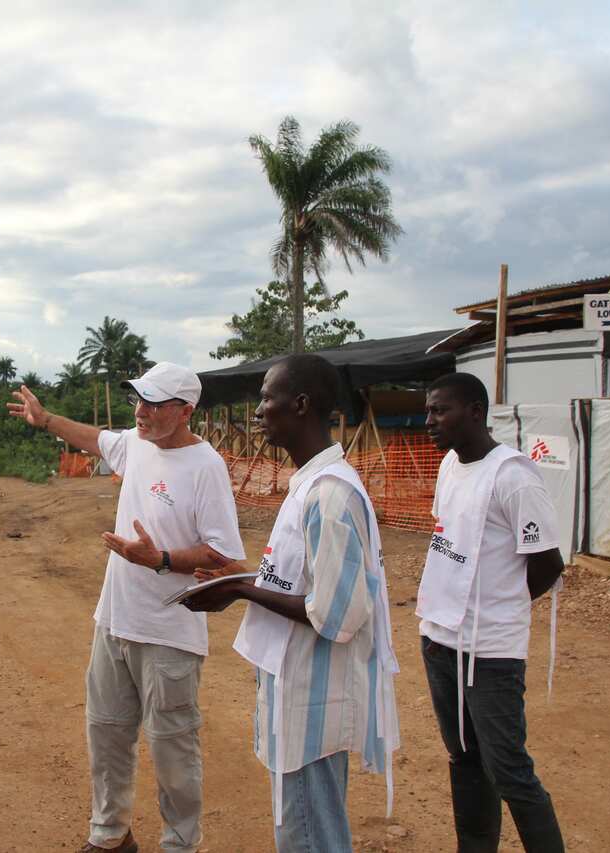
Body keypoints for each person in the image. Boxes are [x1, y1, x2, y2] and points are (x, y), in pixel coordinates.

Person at [8, 362, 245, 853]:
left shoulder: (206, 467)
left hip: (170, 630)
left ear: (185, 411)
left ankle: (182, 843)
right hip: (114, 621)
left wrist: (156, 559)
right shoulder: (138, 443)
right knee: (107, 735)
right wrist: (46, 418)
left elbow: (223, 555)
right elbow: (96, 440)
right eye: (139, 400)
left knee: (173, 747)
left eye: (154, 403)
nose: (140, 411)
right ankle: (110, 835)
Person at [181, 354, 400, 853]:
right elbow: (298, 576)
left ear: (300, 405)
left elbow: (337, 614)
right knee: (302, 827)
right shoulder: (307, 486)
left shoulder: (330, 495)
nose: (258, 411)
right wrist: (240, 579)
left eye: (266, 398)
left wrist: (239, 591)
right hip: (295, 688)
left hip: (314, 699)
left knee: (310, 835)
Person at [416, 372, 565, 852]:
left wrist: (498, 609)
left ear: (476, 411)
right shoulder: (449, 467)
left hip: (490, 652)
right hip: (440, 640)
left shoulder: (513, 476)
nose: (429, 422)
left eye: (440, 411)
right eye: (428, 411)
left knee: (509, 771)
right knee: (464, 758)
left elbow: (547, 564)